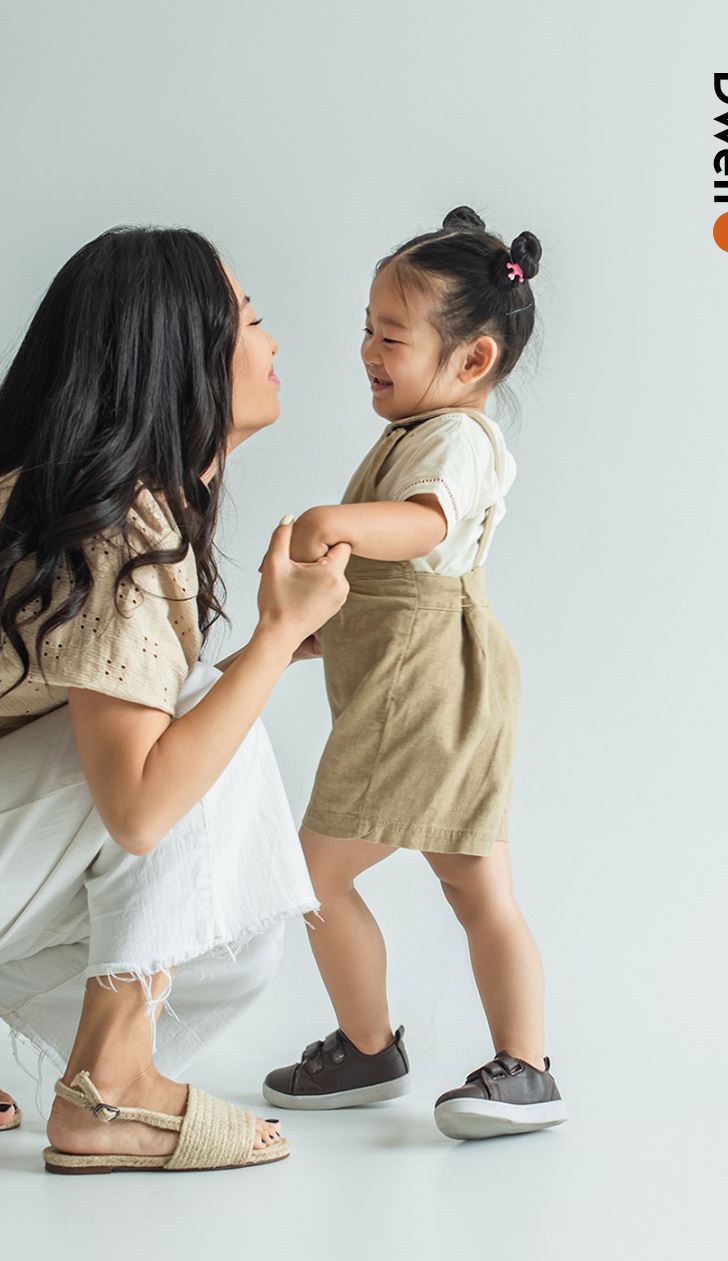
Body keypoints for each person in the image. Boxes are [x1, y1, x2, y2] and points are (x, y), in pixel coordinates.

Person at [0, 225, 350, 1174]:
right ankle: (111, 1086)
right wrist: (273, 639)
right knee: (198, 755)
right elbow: (141, 809)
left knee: (227, 905)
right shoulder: (116, 524)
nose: (273, 343)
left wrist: (266, 656)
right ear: (181, 356)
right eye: (250, 320)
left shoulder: (77, 500)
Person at [261, 207, 568, 1139]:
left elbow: (426, 528)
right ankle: (523, 1065)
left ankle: (370, 1047)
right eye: (366, 328)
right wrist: (327, 629)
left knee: (312, 872)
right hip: (434, 681)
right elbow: (409, 580)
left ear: (472, 360)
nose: (368, 351)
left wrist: (332, 524)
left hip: (426, 690)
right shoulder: (420, 429)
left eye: (391, 337)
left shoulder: (455, 442)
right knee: (475, 885)